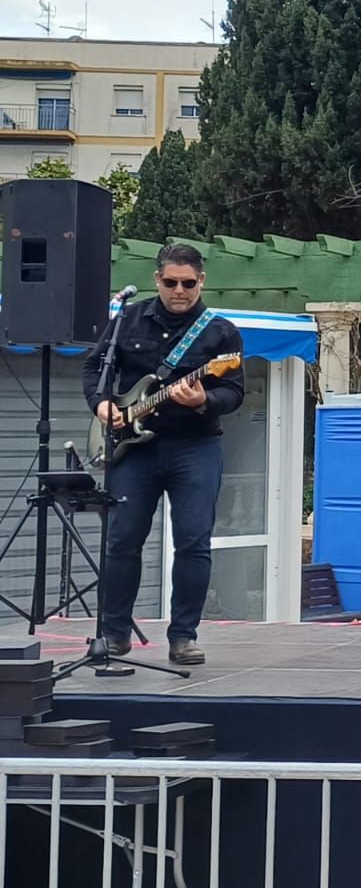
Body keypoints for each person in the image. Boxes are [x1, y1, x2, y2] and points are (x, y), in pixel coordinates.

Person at [83, 244, 245, 666]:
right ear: (157, 279)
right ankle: (114, 633)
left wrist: (202, 400)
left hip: (195, 445)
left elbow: (234, 391)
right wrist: (103, 405)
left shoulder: (220, 332)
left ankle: (183, 636)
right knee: (122, 540)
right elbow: (93, 368)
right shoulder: (128, 319)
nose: (179, 291)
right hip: (134, 450)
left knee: (194, 541)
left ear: (201, 281)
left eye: (188, 284)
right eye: (171, 282)